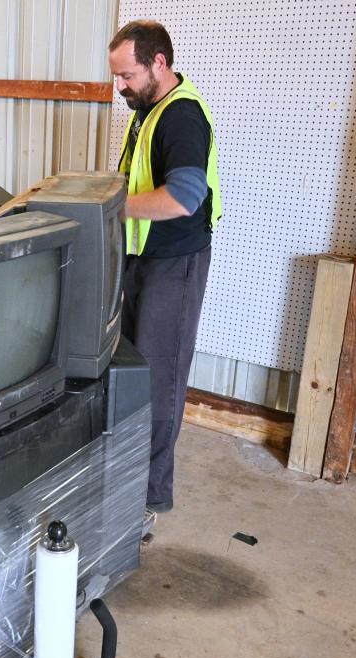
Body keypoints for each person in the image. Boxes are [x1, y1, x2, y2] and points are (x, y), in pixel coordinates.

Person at [108, 20, 222, 514]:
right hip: (142, 261)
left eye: (127, 75)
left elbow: (184, 196)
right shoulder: (147, 109)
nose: (120, 87)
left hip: (174, 266)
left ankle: (150, 500)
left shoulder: (180, 116)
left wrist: (109, 208)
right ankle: (128, 483)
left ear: (159, 63)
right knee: (132, 375)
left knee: (159, 381)